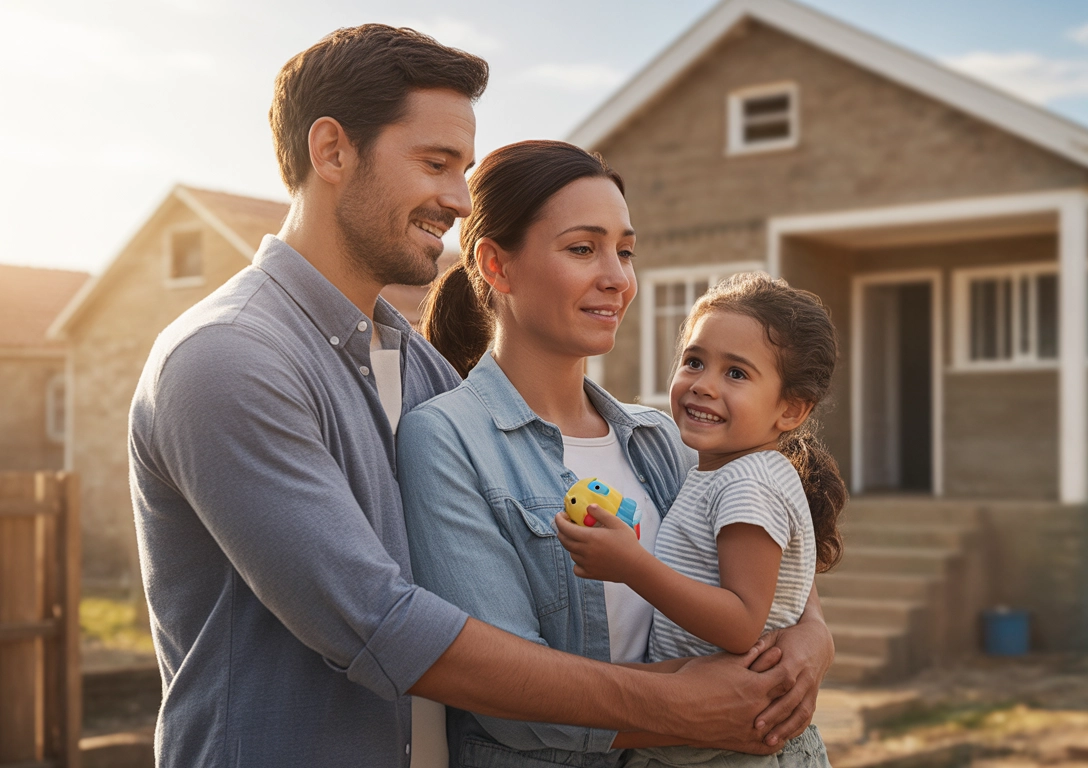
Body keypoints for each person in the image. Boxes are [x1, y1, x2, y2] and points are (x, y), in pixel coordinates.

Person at [128, 26, 802, 768]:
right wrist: (677, 707)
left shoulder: (416, 367)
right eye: (435, 163)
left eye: (464, 169)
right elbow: (377, 623)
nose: (457, 198)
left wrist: (806, 639)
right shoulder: (228, 359)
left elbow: (739, 547)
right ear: (331, 151)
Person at [399, 140, 835, 768]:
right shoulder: (447, 440)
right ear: (497, 266)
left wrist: (812, 636)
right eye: (583, 248)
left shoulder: (661, 438)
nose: (617, 278)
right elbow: (501, 697)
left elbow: (766, 569)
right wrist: (682, 709)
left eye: (625, 252)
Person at [556, 273, 848, 768]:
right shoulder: (722, 470)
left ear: (791, 409)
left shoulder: (747, 484)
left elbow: (739, 623)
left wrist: (632, 565)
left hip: (724, 752)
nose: (704, 385)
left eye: (736, 373)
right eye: (694, 361)